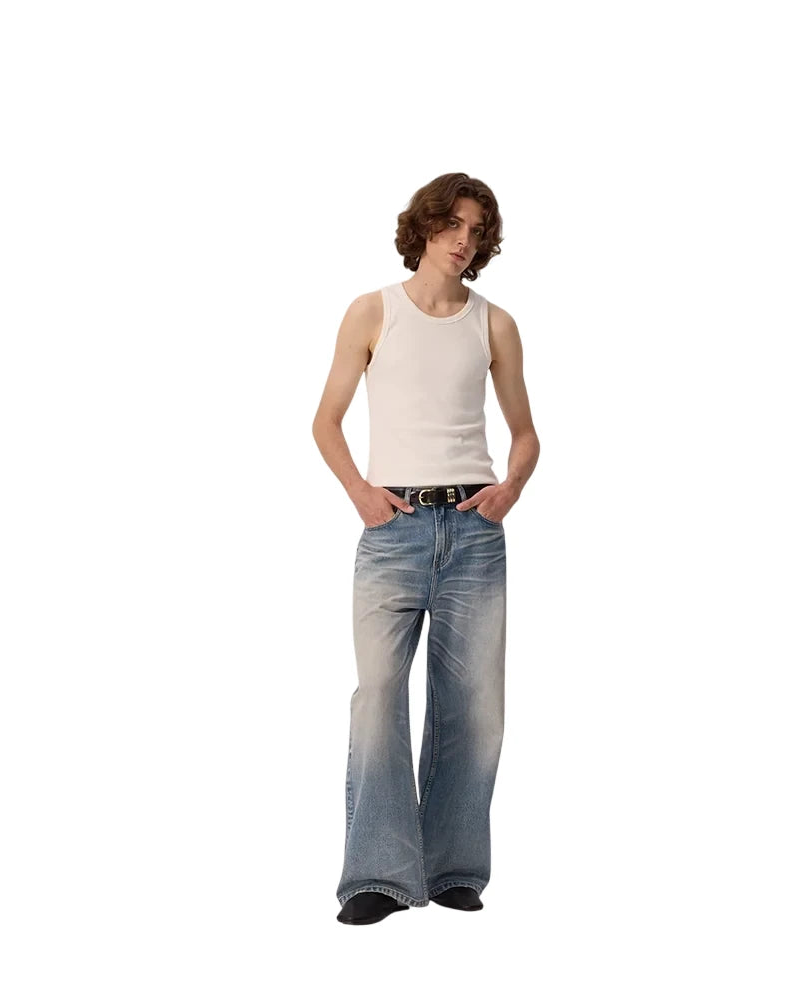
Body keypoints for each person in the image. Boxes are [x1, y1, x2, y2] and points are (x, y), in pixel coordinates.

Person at [311, 172, 540, 925]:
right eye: (452, 224)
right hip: (392, 529)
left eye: (476, 230)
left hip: (475, 532)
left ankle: (452, 870)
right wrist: (360, 492)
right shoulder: (372, 311)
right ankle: (377, 876)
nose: (463, 240)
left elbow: (526, 434)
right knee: (378, 699)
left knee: (475, 710)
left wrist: (509, 489)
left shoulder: (494, 325)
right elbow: (326, 421)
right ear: (426, 226)